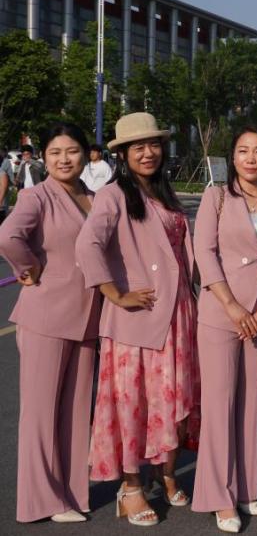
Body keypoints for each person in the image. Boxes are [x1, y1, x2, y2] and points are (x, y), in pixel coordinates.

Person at [75, 112, 200, 527]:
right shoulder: (113, 195)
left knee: (169, 399)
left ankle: (165, 472)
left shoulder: (165, 192)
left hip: (178, 315)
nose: (148, 153)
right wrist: (114, 293)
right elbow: (88, 244)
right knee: (133, 405)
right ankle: (130, 487)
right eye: (138, 147)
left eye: (154, 145)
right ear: (123, 154)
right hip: (137, 320)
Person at [192, 124, 257, 532]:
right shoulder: (216, 197)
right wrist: (232, 305)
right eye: (243, 151)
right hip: (221, 312)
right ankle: (219, 495)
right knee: (219, 405)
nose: (251, 158)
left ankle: (248, 486)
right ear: (233, 157)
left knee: (250, 404)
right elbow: (204, 252)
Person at [0, 123, 101, 524]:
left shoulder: (95, 197)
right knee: (40, 414)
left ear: (85, 154)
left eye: (72, 151)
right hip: (46, 315)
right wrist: (29, 268)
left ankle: (70, 492)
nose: (64, 159)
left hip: (88, 318)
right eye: (55, 152)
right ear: (44, 156)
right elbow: (8, 236)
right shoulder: (36, 196)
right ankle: (40, 500)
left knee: (76, 412)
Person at [0, 147, 14, 223]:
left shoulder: (2, 172)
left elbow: (3, 187)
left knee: (3, 213)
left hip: (1, 202)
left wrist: (13, 181)